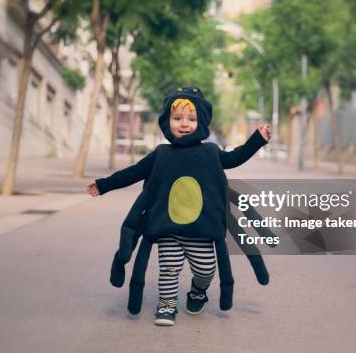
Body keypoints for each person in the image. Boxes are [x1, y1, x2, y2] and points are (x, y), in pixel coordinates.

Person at [87, 86, 271, 326]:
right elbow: (134, 172)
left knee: (205, 270)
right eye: (177, 118)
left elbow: (235, 157)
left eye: (191, 118)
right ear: (167, 122)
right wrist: (104, 185)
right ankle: (167, 304)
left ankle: (197, 292)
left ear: (201, 122)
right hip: (168, 228)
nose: (184, 124)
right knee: (169, 269)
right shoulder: (161, 154)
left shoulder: (211, 152)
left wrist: (257, 139)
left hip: (202, 231)